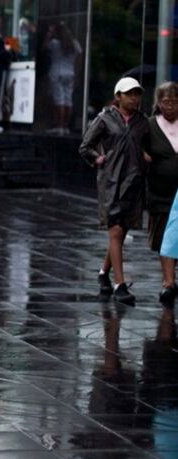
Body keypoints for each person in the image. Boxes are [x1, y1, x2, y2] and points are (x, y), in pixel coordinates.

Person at [79, 77, 149, 305]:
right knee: (116, 232)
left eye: (137, 94)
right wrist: (97, 158)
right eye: (129, 94)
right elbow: (85, 147)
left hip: (134, 183)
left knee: (122, 231)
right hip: (111, 183)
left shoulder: (142, 122)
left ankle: (103, 273)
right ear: (118, 96)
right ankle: (120, 285)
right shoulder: (104, 119)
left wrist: (146, 155)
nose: (134, 98)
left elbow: (147, 145)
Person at [145, 83, 178, 305]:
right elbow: (136, 144)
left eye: (175, 101)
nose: (171, 106)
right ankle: (168, 282)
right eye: (166, 101)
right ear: (159, 102)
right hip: (161, 191)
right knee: (165, 237)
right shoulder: (150, 125)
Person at [44, 23, 81, 135]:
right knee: (68, 100)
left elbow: (44, 46)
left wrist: (50, 33)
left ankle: (59, 126)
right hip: (70, 73)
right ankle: (65, 126)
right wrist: (76, 74)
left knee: (59, 99)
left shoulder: (55, 44)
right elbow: (79, 58)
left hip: (57, 72)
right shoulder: (75, 44)